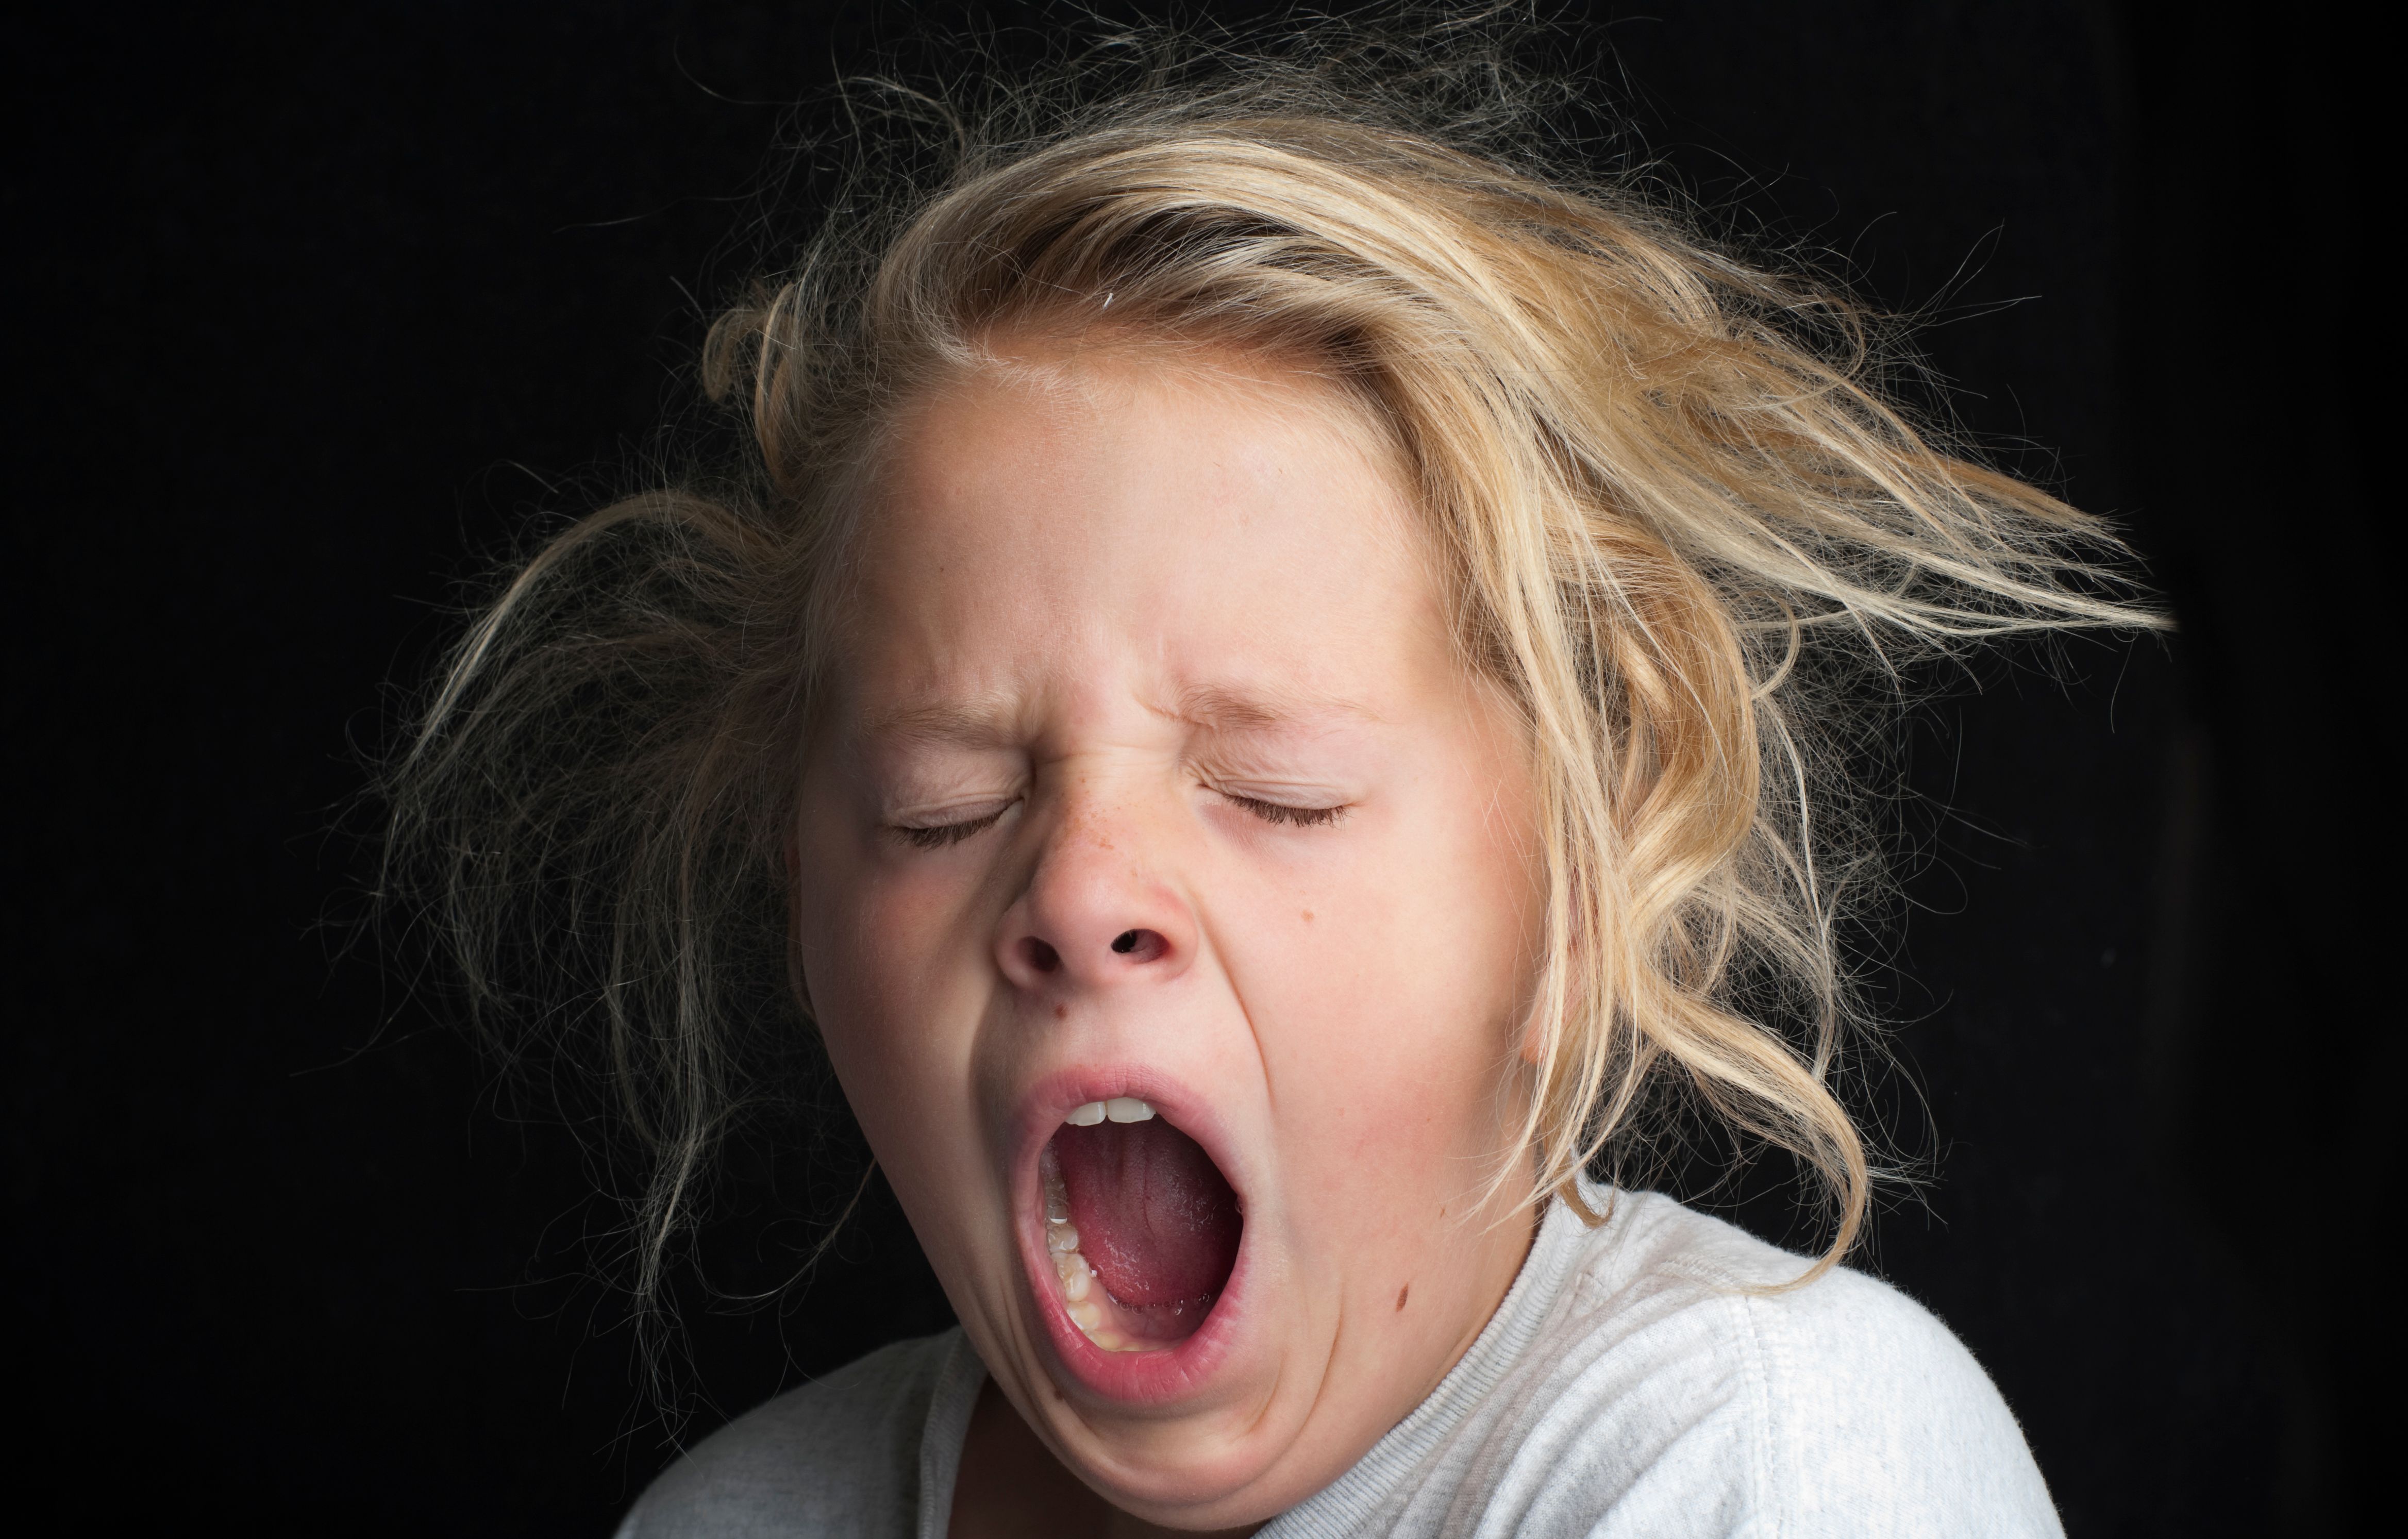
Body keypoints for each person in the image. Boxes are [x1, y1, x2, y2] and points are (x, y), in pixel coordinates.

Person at [387, 19, 2157, 1536]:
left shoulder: (1766, 1459)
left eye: (1275, 789)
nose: (1080, 890)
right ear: (806, 906)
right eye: (943, 808)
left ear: (1573, 890)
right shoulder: (738, 1517)